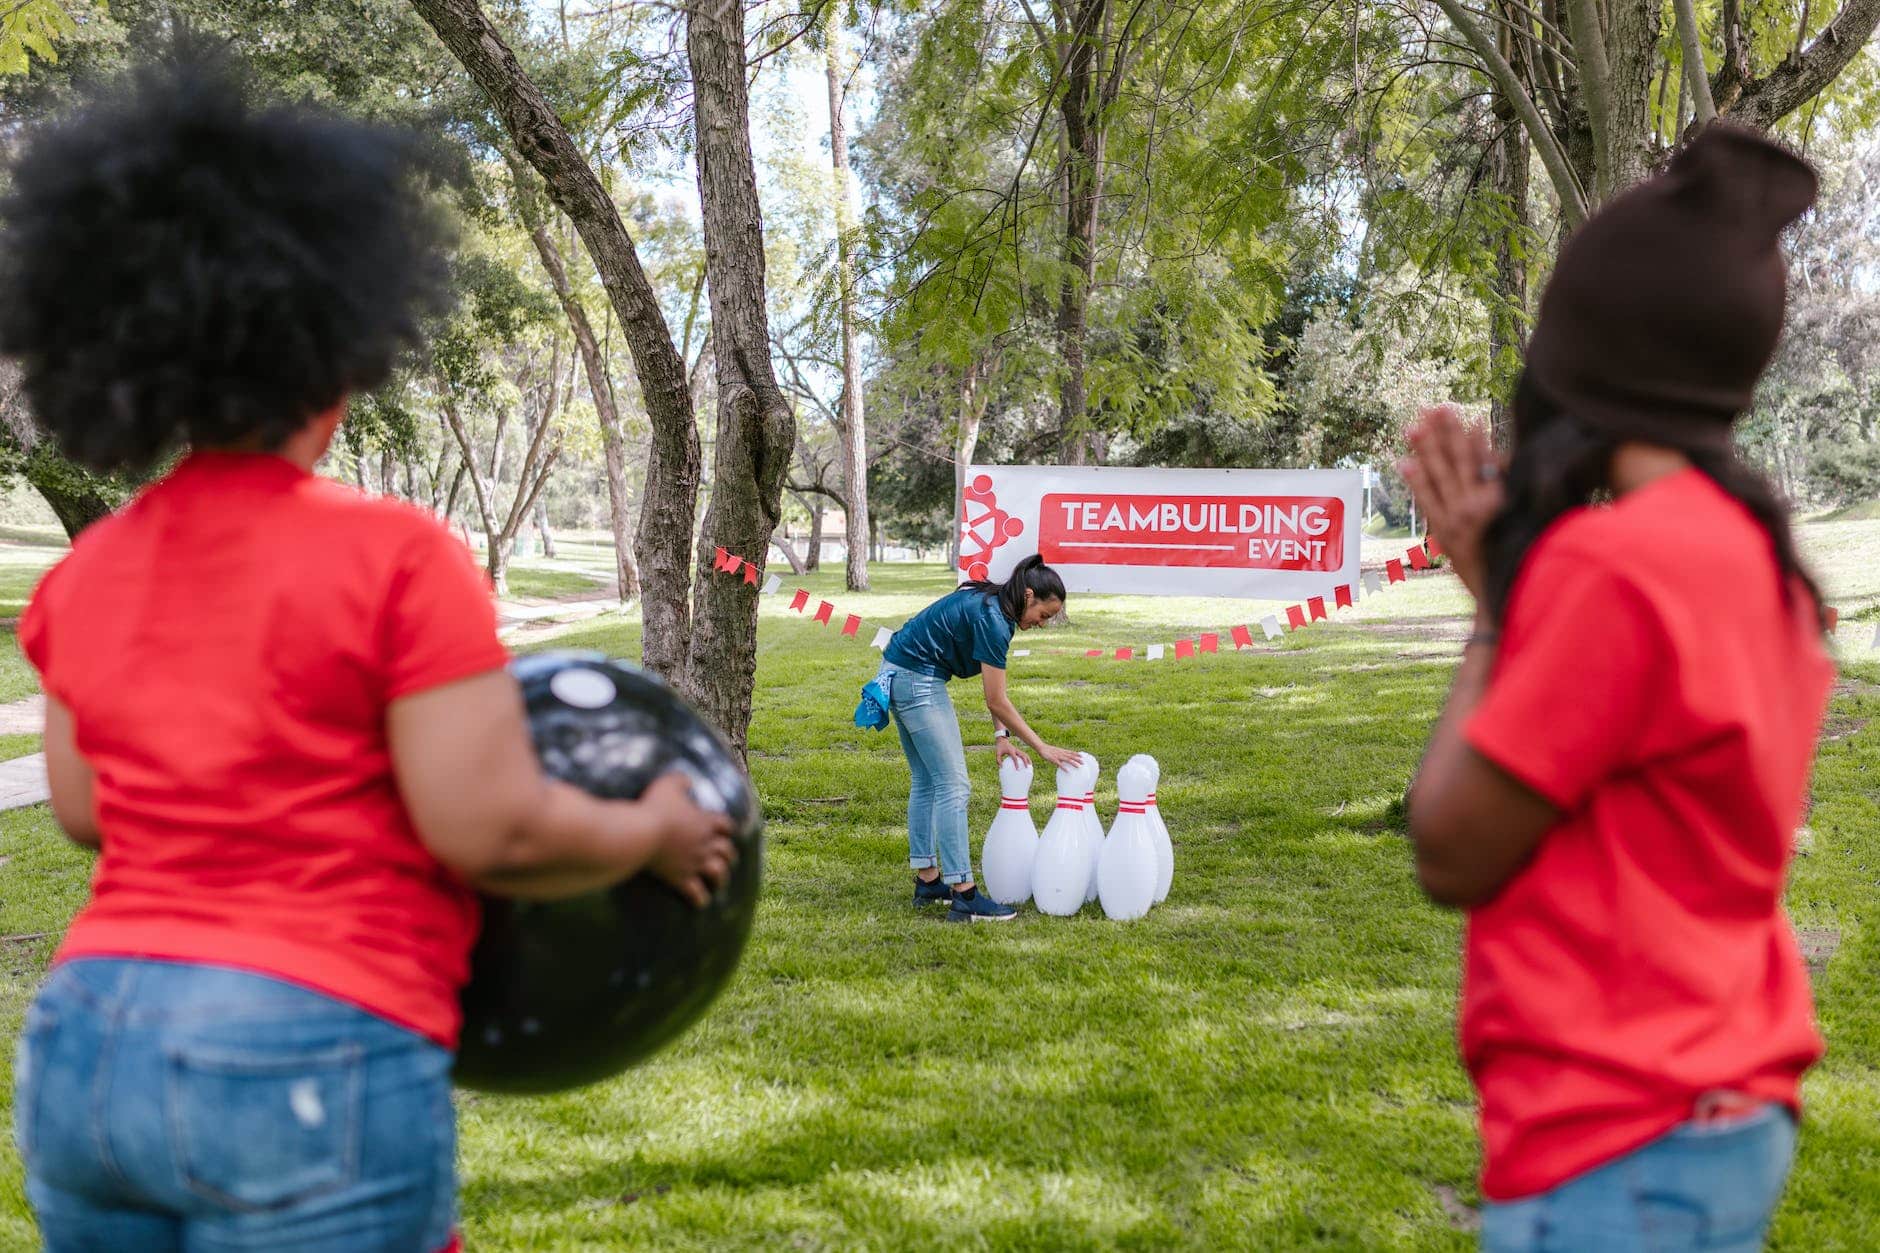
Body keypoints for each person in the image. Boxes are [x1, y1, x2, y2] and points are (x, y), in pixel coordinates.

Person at [1, 43, 737, 1253]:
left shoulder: (87, 574)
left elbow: (84, 808)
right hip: (307, 1045)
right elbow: (488, 826)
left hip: (86, 1047)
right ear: (344, 352)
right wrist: (651, 827)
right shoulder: (395, 554)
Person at [1400, 124, 1830, 1251]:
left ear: (1581, 356)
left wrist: (1494, 604)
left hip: (1616, 1138)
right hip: (1725, 1105)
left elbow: (1450, 845)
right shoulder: (1760, 559)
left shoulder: (1617, 565)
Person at [875, 555, 1082, 922]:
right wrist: (1042, 746)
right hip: (915, 679)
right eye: (1044, 615)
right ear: (1029, 595)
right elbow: (996, 699)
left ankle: (929, 882)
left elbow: (993, 691)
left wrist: (1001, 736)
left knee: (927, 782)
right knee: (955, 787)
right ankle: (964, 893)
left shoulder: (994, 607)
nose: (1042, 624)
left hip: (897, 670)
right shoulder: (994, 619)